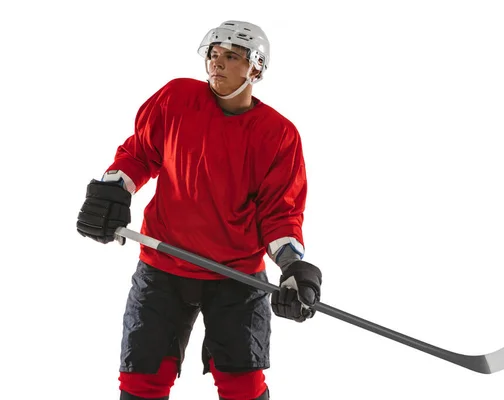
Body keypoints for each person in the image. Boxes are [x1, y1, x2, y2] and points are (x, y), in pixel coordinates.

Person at [76, 20, 323, 400]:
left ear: (255, 69)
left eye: (231, 57)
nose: (217, 64)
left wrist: (292, 268)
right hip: (162, 267)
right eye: (213, 55)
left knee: (243, 386)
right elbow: (141, 153)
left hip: (237, 278)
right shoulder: (176, 99)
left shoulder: (278, 134)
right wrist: (112, 189)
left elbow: (280, 214)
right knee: (142, 380)